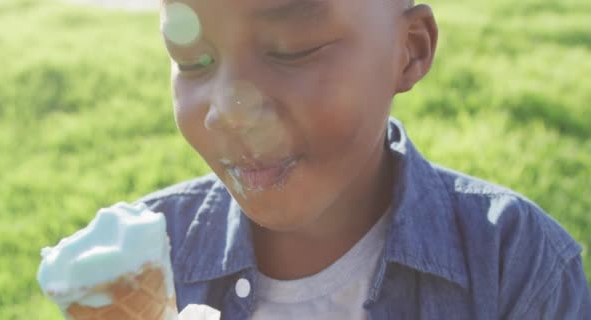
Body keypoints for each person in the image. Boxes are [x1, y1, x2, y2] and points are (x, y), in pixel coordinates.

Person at [137, 0, 591, 318]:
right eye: (193, 61)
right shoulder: (143, 256)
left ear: (409, 49)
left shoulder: (515, 264)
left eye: (292, 50)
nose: (228, 111)